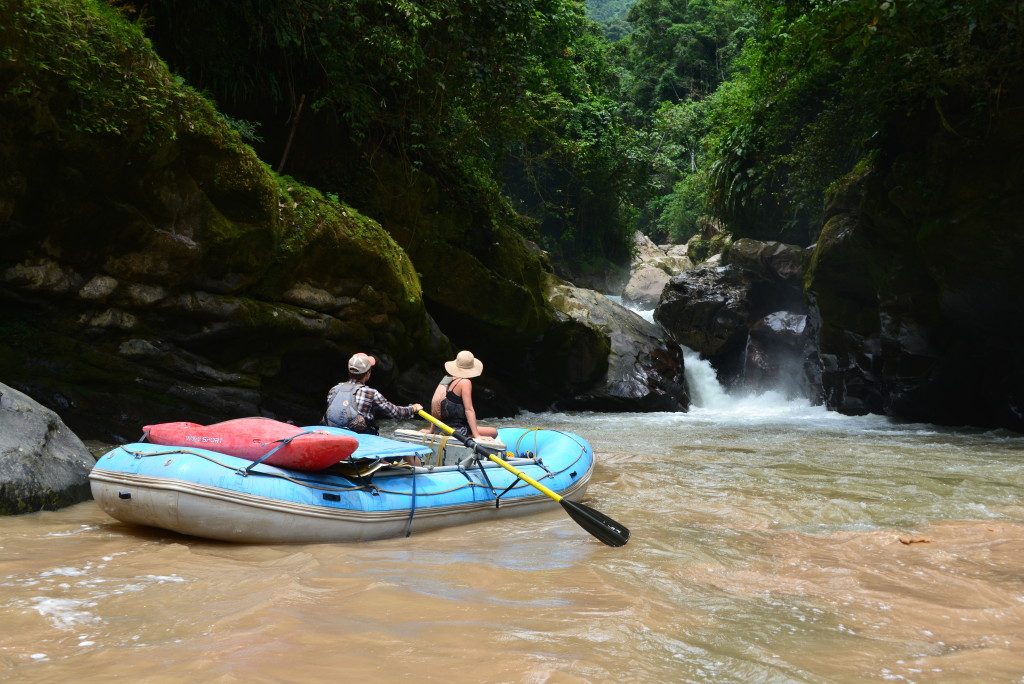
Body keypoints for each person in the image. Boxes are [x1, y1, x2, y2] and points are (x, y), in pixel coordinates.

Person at [325, 353, 423, 438]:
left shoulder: (334, 390)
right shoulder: (371, 393)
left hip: (334, 438)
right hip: (360, 443)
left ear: (349, 372)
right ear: (367, 374)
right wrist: (413, 408)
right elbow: (396, 413)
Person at [429, 350, 498, 440]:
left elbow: (435, 404)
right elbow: (469, 410)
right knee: (493, 432)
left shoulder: (446, 379)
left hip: (439, 429)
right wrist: (477, 435)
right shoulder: (465, 382)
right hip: (457, 431)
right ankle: (472, 436)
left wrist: (431, 431)